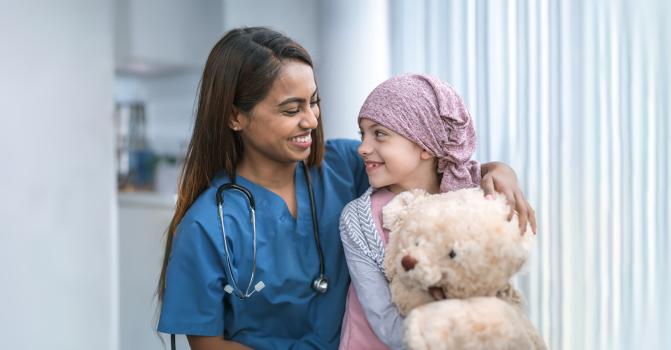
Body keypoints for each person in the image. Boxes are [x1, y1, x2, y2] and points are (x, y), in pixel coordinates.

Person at [156, 27, 536, 350]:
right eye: (291, 109)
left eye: (314, 103)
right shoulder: (206, 226)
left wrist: (497, 169)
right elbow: (207, 345)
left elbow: (424, 166)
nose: (310, 120)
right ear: (235, 116)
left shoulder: (342, 165)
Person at [338, 74, 537, 349]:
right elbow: (383, 319)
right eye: (363, 134)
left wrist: (503, 169)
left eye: (379, 134)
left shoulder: (469, 200)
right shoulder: (359, 219)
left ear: (425, 145)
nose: (362, 147)